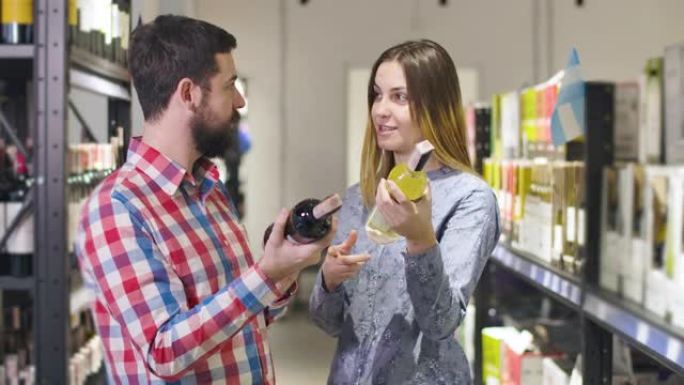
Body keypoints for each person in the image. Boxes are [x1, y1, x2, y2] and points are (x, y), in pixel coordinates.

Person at [75, 15, 333, 384]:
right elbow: (164, 351)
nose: (241, 101)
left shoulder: (209, 189)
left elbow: (248, 318)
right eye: (230, 86)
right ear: (189, 94)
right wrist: (265, 274)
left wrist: (285, 267)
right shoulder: (117, 208)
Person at [309, 39, 501, 384]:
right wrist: (329, 280)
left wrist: (420, 239)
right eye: (377, 95)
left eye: (400, 97)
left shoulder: (470, 199)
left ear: (436, 106)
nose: (381, 110)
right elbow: (328, 323)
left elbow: (441, 322)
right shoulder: (359, 197)